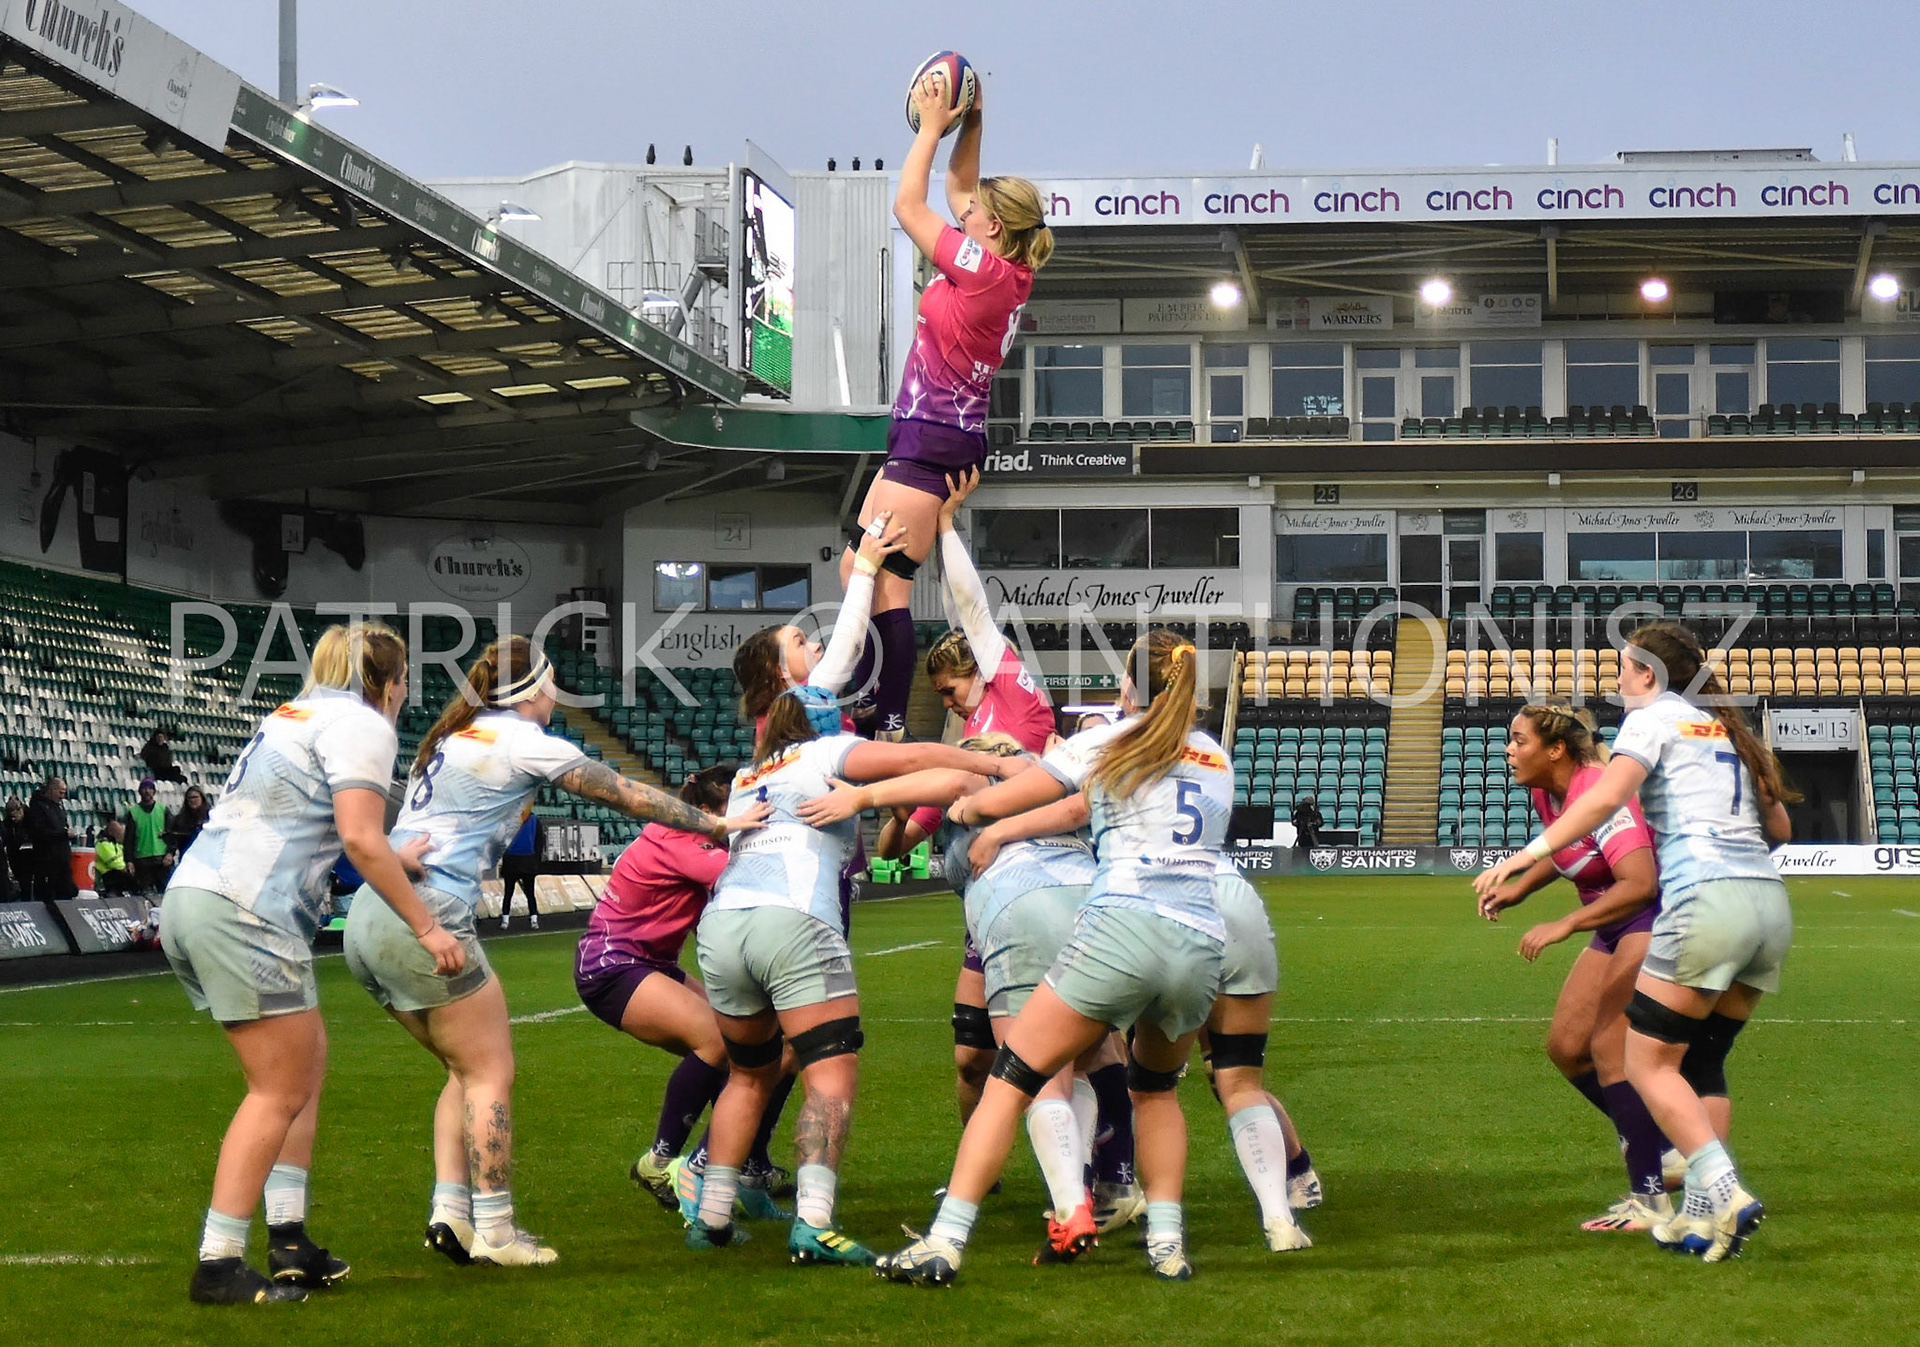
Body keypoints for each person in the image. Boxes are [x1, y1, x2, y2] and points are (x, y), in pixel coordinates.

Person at [344, 637, 764, 1270]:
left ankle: (451, 1212)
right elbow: (624, 793)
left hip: (372, 914)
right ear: (535, 690)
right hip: (428, 913)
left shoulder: (454, 737)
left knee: (464, 1071)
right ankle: (496, 1230)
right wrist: (715, 825)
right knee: (490, 1073)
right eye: (551, 684)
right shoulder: (522, 741)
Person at [880, 630, 1230, 1284]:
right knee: (1155, 1092)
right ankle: (1168, 1245)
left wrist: (968, 802)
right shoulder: (1214, 754)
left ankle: (948, 1241)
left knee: (1013, 1075)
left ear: (1128, 688)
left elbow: (1011, 794)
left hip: (1123, 927)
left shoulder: (1104, 742)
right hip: (1198, 943)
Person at [163, 622, 465, 1306]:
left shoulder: (294, 713)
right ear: (387, 683)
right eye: (407, 678)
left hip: (201, 893)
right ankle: (219, 1262)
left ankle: (289, 1236)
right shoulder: (365, 722)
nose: (407, 691)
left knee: (304, 1064)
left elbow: (317, 817)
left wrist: (395, 852)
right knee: (275, 1088)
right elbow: (358, 835)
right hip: (247, 909)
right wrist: (426, 925)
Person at [1475, 623, 1795, 1264]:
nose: (1616, 679)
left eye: (1624, 667)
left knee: (1643, 1063)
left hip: (1705, 903)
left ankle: (1721, 1188)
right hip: (1769, 904)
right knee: (1699, 1063)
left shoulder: (1653, 720)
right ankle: (1703, 1222)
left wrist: (1523, 856)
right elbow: (1780, 825)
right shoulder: (1725, 729)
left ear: (1649, 673)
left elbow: (1607, 800)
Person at [679, 685, 1017, 1263]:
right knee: (829, 1076)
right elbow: (914, 758)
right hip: (794, 919)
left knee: (747, 1075)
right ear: (826, 724)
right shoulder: (824, 752)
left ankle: (710, 1218)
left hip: (723, 924)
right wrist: (988, 761)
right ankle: (813, 1223)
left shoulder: (747, 775)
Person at [800, 736, 1117, 1258]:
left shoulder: (982, 779)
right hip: (1092, 904)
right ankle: (1079, 1190)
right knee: (1076, 1063)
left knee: (1032, 1071)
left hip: (1022, 908)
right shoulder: (1048, 778)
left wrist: (860, 797)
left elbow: (955, 780)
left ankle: (1069, 1209)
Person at [839, 72, 1052, 741]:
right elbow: (959, 187)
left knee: (874, 576)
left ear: (994, 226)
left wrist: (932, 125)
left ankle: (889, 716)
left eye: (975, 210)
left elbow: (909, 205)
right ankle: (887, 710)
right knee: (869, 573)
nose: (964, 209)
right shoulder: (1007, 266)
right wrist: (974, 122)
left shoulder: (985, 271)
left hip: (931, 438)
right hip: (939, 436)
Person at [1476, 702, 1673, 1232]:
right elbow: (1566, 851)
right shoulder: (1548, 792)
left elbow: (1640, 884)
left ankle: (1650, 1197)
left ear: (1555, 749)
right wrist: (1519, 890)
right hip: (1612, 926)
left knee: (1609, 1049)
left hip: (1646, 920)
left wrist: (1565, 924)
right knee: (1567, 1049)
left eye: (1519, 741)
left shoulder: (1599, 793)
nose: (1510, 751)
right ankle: (1668, 1148)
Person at [576, 764, 796, 1221]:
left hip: (648, 962)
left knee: (760, 1049)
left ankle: (742, 1166)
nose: (738, 822)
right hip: (614, 963)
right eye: (731, 813)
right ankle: (660, 1162)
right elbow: (746, 879)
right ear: (702, 812)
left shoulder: (680, 836)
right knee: (720, 1042)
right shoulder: (682, 839)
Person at [1196, 853, 1315, 1251]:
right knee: (1237, 1079)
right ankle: (1295, 1182)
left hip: (1168, 909)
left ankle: (1121, 1190)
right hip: (1235, 904)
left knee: (1144, 1082)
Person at [27, 775, 75, 901]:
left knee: (66, 894)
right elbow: (39, 833)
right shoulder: (38, 807)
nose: (62, 796)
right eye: (60, 792)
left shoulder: (59, 807)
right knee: (48, 896)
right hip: (47, 862)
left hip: (62, 860)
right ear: (52, 789)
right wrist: (63, 834)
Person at [124, 777, 173, 896]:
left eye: (150, 788)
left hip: (161, 858)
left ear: (154, 792)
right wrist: (129, 860)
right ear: (140, 792)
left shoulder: (163, 810)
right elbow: (128, 839)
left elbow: (171, 834)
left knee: (165, 892)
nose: (147, 791)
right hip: (142, 860)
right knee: (145, 894)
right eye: (144, 788)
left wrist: (170, 852)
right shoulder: (133, 812)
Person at [498, 812, 542, 931]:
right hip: (527, 860)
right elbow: (539, 842)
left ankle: (505, 920)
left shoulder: (508, 819)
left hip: (512, 860)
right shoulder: (534, 820)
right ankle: (533, 920)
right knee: (529, 893)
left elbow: (500, 839)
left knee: (508, 892)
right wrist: (536, 861)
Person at [164, 784, 212, 859]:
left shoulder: (211, 817)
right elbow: (173, 840)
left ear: (202, 798)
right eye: (190, 798)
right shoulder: (179, 820)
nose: (193, 800)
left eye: (195, 797)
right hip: (186, 858)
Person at [92, 818, 135, 895]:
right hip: (106, 875)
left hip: (116, 873)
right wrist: (128, 867)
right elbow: (115, 864)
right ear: (112, 833)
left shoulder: (115, 843)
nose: (123, 836)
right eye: (120, 833)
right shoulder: (102, 844)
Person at [2, 796, 33, 900]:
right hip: (15, 854)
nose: (13, 819)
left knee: (26, 881)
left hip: (29, 855)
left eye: (14, 816)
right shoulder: (8, 823)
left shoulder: (31, 820)